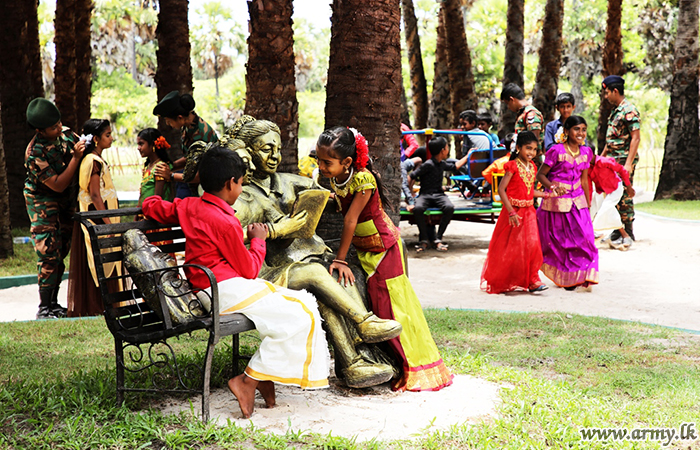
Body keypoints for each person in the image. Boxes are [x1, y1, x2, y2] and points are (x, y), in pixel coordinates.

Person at [141, 146, 330, 418]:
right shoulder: (226, 222)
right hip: (222, 290)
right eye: (241, 184)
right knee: (301, 313)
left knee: (299, 307)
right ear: (231, 183)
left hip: (209, 287)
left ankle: (264, 375)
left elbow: (154, 207)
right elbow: (250, 269)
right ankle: (248, 380)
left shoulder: (190, 206)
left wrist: (152, 197)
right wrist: (258, 240)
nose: (241, 190)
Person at [226, 116, 402, 389]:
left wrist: (331, 198)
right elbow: (233, 231)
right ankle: (355, 350)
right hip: (273, 269)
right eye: (265, 149)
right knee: (319, 279)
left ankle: (362, 359)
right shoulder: (240, 192)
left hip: (307, 259)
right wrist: (279, 230)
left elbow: (328, 192)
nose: (274, 156)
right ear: (248, 151)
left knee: (342, 273)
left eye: (277, 148)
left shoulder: (284, 181)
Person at [316, 126, 453, 392]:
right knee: (378, 307)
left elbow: (351, 219)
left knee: (392, 308)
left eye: (326, 162)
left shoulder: (363, 180)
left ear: (346, 162)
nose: (321, 166)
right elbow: (345, 206)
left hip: (384, 250)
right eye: (319, 161)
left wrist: (341, 259)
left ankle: (412, 367)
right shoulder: (340, 177)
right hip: (367, 249)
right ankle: (391, 363)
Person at [24, 98, 86, 319]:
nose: (59, 128)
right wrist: (76, 158)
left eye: (59, 123)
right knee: (49, 251)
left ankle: (54, 303)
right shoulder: (35, 152)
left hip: (65, 200)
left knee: (63, 249)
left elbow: (84, 147)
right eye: (53, 127)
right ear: (40, 130)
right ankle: (44, 307)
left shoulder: (66, 134)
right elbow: (58, 184)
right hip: (42, 201)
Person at [481, 132, 550, 294]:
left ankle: (532, 280)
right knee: (511, 247)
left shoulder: (533, 167)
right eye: (528, 148)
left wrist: (546, 194)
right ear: (518, 148)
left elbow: (529, 191)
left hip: (529, 212)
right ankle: (504, 278)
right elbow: (501, 190)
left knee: (532, 245)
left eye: (534, 149)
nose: (531, 153)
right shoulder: (511, 166)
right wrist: (511, 211)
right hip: (513, 213)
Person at [67, 119, 122, 317]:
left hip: (97, 217)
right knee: (99, 260)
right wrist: (107, 224)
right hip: (97, 219)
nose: (112, 138)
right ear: (96, 139)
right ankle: (98, 304)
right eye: (108, 135)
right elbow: (95, 194)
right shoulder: (93, 161)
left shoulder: (92, 159)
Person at [536, 116, 598, 290]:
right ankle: (568, 278)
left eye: (583, 129)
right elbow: (541, 175)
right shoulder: (556, 151)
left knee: (586, 239)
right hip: (557, 203)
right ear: (566, 131)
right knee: (561, 242)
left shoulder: (586, 152)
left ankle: (582, 274)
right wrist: (552, 187)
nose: (580, 133)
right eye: (576, 129)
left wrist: (587, 204)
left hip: (578, 201)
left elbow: (584, 180)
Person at [152, 90, 218, 198]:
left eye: (168, 121)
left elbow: (201, 176)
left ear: (180, 117)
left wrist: (171, 175)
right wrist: (171, 166)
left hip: (208, 191)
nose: (168, 124)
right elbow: (190, 158)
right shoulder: (189, 127)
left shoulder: (201, 136)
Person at [408, 136, 468, 252]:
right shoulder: (427, 165)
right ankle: (424, 239)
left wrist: (468, 155)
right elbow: (411, 176)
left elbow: (456, 166)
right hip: (425, 194)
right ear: (442, 150)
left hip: (439, 195)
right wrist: (410, 197)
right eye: (446, 148)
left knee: (449, 207)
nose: (447, 150)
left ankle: (438, 238)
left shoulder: (441, 164)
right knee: (418, 209)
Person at [600, 75, 641, 244]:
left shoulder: (629, 110)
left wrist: (629, 163)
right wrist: (600, 158)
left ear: (615, 91)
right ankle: (618, 230)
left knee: (624, 195)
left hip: (623, 160)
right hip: (611, 161)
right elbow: (610, 141)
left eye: (607, 92)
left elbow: (635, 138)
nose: (606, 96)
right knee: (613, 195)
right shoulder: (616, 111)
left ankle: (628, 231)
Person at [587, 155, 635, 250]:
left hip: (615, 188)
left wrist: (629, 187)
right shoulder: (586, 167)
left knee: (606, 208)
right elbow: (589, 186)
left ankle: (598, 233)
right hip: (601, 191)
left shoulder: (604, 161)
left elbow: (621, 170)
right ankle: (624, 236)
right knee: (592, 211)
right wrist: (588, 202)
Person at [500, 83, 544, 155]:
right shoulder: (522, 113)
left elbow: (533, 140)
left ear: (512, 99)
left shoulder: (531, 114)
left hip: (530, 162)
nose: (508, 107)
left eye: (507, 103)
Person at [136, 128, 174, 206]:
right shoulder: (148, 166)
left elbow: (157, 199)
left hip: (154, 213)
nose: (138, 148)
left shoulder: (160, 167)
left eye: (141, 144)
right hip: (144, 212)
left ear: (153, 145)